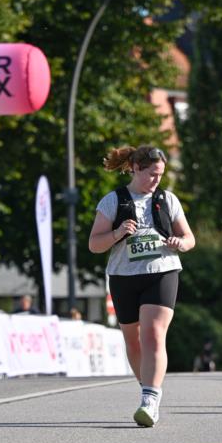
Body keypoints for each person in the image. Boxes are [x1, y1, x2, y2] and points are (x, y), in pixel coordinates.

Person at [88, 144, 195, 426]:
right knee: (133, 342)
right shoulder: (113, 201)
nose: (156, 180)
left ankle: (149, 399)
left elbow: (189, 238)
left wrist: (179, 243)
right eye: (151, 174)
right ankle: (149, 388)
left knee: (153, 334)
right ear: (135, 169)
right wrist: (116, 233)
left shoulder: (167, 199)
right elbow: (94, 244)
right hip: (124, 276)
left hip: (162, 271)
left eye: (160, 174)